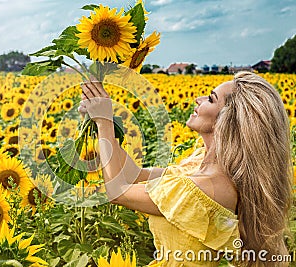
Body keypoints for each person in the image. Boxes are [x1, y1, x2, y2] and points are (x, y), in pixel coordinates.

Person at [78, 71, 293, 266]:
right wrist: (98, 122)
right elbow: (132, 174)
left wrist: (104, 122)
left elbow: (118, 191)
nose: (198, 100)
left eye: (210, 99)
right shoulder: (202, 165)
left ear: (227, 122)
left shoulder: (207, 188)